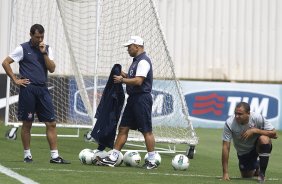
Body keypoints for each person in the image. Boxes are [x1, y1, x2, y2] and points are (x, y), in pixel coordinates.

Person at [2, 24, 70, 164]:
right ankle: (27, 155)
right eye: (37, 37)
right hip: (28, 89)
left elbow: (51, 69)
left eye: (42, 36)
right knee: (27, 123)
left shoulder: (47, 49)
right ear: (31, 35)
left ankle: (55, 156)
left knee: (51, 123)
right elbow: (5, 62)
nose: (40, 39)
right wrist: (15, 79)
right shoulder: (22, 48)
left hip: (43, 89)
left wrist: (44, 53)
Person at [97, 36, 158, 169]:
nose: (128, 49)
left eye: (129, 47)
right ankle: (113, 157)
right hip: (133, 99)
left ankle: (152, 161)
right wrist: (123, 74)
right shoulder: (136, 61)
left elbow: (138, 81)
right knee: (123, 128)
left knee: (146, 131)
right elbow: (134, 78)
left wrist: (122, 80)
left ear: (137, 46)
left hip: (142, 99)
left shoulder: (143, 61)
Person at [222, 102, 277, 183]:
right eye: (235, 113)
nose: (237, 116)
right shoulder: (229, 123)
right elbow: (226, 147)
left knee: (264, 139)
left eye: (240, 114)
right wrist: (225, 173)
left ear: (248, 113)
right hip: (244, 152)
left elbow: (274, 134)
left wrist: (255, 130)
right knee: (246, 176)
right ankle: (257, 164)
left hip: (257, 145)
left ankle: (262, 174)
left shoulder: (257, 117)